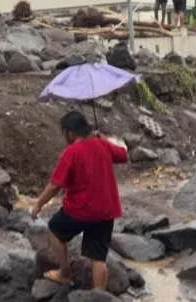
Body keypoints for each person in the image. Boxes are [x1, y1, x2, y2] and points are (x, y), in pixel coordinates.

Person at [31, 111, 129, 292]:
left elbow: (54, 186)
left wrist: (38, 204)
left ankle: (65, 273)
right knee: (98, 256)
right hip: (106, 209)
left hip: (81, 209)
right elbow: (124, 154)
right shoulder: (102, 145)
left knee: (55, 230)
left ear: (69, 133)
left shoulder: (72, 152)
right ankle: (99, 294)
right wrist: (104, 139)